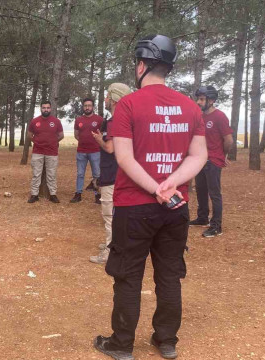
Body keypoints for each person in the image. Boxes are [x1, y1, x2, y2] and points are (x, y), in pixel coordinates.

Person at [93, 35, 207, 360]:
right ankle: (167, 340)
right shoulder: (189, 106)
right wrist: (170, 183)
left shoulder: (128, 104)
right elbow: (198, 157)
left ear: (141, 66)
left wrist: (156, 187)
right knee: (169, 275)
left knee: (128, 275)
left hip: (134, 207)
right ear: (168, 68)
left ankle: (122, 344)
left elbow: (125, 159)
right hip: (175, 208)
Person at [89, 83, 132, 264]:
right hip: (119, 173)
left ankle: (109, 252)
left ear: (114, 99)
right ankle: (114, 244)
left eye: (107, 96)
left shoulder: (115, 121)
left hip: (112, 174)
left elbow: (110, 148)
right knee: (117, 214)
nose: (105, 99)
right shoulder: (122, 120)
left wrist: (99, 139)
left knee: (109, 214)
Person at [190, 86, 233, 237]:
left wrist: (224, 155)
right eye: (198, 99)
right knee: (201, 190)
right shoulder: (200, 116)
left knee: (214, 193)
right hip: (200, 160)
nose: (198, 102)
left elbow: (228, 139)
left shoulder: (220, 116)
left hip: (213, 160)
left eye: (202, 99)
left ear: (212, 100)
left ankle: (216, 225)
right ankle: (202, 217)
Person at [27, 101, 64, 204]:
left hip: (52, 152)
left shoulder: (56, 121)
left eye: (48, 108)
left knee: (51, 174)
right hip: (37, 152)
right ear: (41, 109)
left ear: (51, 109)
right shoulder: (35, 121)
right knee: (36, 174)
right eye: (44, 108)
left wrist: (52, 142)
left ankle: (53, 194)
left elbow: (61, 135)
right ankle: (34, 195)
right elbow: (29, 135)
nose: (46, 109)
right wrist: (37, 142)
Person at [70, 98, 103, 204]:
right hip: (81, 152)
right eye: (85, 106)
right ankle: (78, 194)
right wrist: (84, 141)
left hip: (95, 151)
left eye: (89, 105)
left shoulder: (99, 119)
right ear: (83, 107)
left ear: (93, 107)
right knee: (80, 174)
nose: (87, 107)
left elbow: (102, 135)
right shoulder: (78, 120)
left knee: (97, 174)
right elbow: (76, 134)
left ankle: (98, 195)